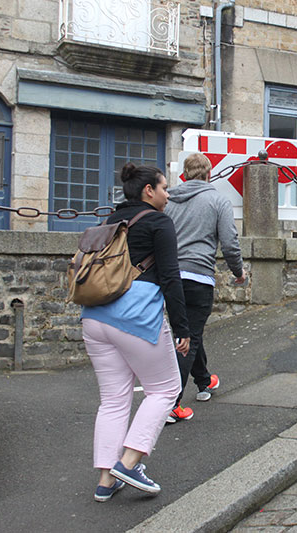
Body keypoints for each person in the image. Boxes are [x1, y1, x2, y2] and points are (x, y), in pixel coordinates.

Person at [81, 163, 190, 501]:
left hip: (94, 316)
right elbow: (171, 277)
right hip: (134, 316)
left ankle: (105, 480)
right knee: (166, 389)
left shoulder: (109, 221)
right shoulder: (159, 222)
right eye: (164, 188)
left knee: (113, 400)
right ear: (149, 191)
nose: (168, 194)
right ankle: (129, 463)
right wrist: (182, 328)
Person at [164, 153, 246, 423]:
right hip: (199, 277)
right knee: (190, 338)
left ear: (183, 176)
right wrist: (238, 272)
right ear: (209, 174)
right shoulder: (217, 200)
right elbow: (230, 243)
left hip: (171, 277)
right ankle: (171, 404)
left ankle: (204, 380)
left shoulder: (169, 200)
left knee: (187, 331)